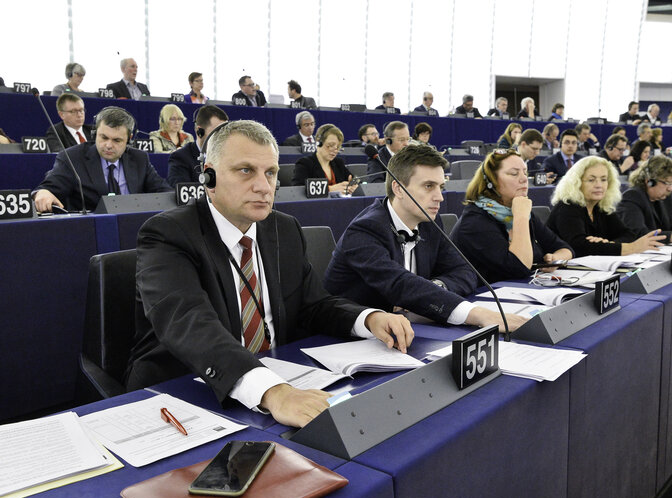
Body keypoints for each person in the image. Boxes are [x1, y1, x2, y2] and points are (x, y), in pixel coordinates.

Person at [125, 119, 414, 428]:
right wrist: (274, 393)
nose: (263, 186)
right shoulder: (168, 233)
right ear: (209, 175)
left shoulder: (283, 228)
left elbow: (314, 304)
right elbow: (190, 324)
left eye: (271, 173)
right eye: (246, 170)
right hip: (185, 392)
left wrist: (368, 319)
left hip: (278, 380)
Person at [324, 144, 527, 332]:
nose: (440, 197)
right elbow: (400, 285)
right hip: (348, 339)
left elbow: (465, 271)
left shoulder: (430, 223)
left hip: (411, 333)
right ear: (398, 188)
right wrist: (479, 314)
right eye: (429, 186)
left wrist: (435, 288)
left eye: (441, 186)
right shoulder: (365, 229)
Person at [450, 149, 574, 284]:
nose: (524, 179)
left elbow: (565, 248)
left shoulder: (519, 211)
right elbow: (519, 267)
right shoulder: (475, 222)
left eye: (525, 172)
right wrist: (520, 217)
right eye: (514, 174)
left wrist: (554, 259)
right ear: (491, 181)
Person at [33, 107, 171, 212]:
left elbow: (165, 192)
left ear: (129, 140)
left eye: (117, 140)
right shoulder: (72, 158)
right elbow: (49, 187)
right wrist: (43, 192)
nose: (108, 145)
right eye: (104, 137)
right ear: (95, 134)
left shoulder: (139, 159)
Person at [547, 156, 664, 257]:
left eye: (603, 179)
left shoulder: (600, 206)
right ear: (577, 183)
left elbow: (627, 234)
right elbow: (579, 246)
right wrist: (631, 248)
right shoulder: (567, 206)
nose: (599, 185)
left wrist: (609, 244)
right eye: (591, 180)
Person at [168, 105, 228, 186]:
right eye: (216, 132)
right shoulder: (180, 158)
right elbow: (182, 192)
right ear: (199, 131)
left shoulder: (229, 155)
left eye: (225, 132)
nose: (222, 137)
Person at [292, 124, 356, 193]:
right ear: (319, 142)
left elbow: (354, 179)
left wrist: (353, 185)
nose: (335, 150)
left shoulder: (338, 163)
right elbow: (297, 189)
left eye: (338, 147)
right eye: (331, 145)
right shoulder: (305, 163)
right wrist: (329, 189)